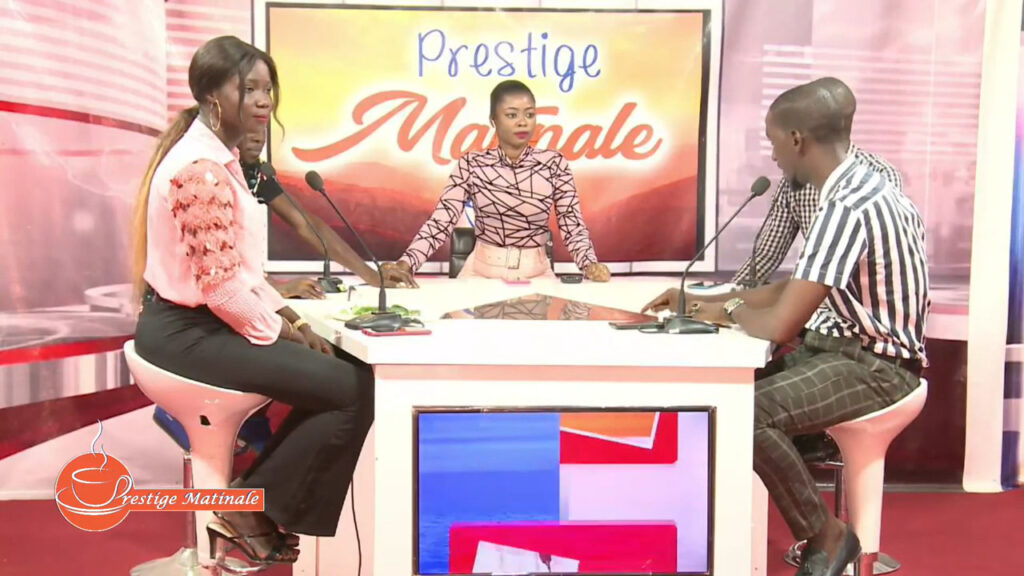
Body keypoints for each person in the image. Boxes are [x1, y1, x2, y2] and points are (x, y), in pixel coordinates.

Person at [643, 81, 929, 576]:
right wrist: (706, 304)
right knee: (724, 395)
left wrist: (730, 309)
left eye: (774, 141)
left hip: (878, 367)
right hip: (847, 352)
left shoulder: (846, 207)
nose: (773, 155)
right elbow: (794, 288)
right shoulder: (857, 186)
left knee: (746, 411)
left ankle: (826, 535)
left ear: (797, 139)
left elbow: (780, 323)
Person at [130, 36, 373, 566]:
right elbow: (221, 289)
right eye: (249, 89)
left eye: (268, 89)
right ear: (213, 97)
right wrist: (282, 332)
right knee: (353, 387)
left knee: (345, 373)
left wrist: (290, 319)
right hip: (184, 334)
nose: (264, 101)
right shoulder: (200, 168)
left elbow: (242, 271)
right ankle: (250, 509)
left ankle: (251, 506)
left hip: (200, 326)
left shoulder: (225, 161)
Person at [382, 80, 611, 282]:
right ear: (493, 120)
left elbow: (572, 224)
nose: (522, 122)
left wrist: (589, 264)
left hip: (537, 275)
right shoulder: (471, 164)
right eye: (512, 115)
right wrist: (406, 264)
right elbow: (441, 221)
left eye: (529, 114)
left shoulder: (554, 163)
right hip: (479, 275)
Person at [732, 77, 903, 289]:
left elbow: (882, 260)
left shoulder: (879, 178)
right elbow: (766, 254)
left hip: (858, 305)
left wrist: (732, 304)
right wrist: (726, 295)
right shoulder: (795, 179)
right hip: (812, 299)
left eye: (774, 142)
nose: (774, 156)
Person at [237, 127, 418, 297]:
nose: (259, 138)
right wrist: (276, 288)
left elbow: (307, 225)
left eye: (261, 128)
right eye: (249, 128)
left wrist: (372, 275)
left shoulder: (255, 174)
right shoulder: (220, 171)